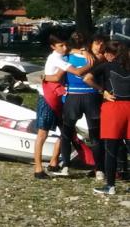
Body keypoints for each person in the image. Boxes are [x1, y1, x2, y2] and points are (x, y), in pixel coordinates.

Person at [83, 40, 130, 194]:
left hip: (113, 107)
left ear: (110, 54)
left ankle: (110, 186)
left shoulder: (106, 66)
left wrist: (102, 90)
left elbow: (87, 78)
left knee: (111, 148)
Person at [57, 31, 103, 178]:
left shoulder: (65, 57)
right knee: (95, 136)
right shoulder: (96, 58)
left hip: (73, 97)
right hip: (92, 97)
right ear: (87, 43)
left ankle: (65, 166)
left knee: (67, 134)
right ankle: (99, 169)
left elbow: (59, 78)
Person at [33, 33, 71, 179]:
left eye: (66, 44)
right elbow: (56, 77)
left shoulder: (62, 56)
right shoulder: (55, 57)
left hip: (59, 97)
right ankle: (38, 168)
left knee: (66, 131)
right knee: (43, 133)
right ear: (53, 47)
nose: (65, 47)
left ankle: (54, 161)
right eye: (61, 45)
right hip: (48, 98)